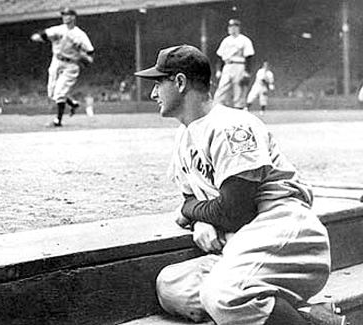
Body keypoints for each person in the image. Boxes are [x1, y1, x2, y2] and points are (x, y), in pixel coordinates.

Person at [134, 45, 346, 325]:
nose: (153, 93)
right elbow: (196, 198)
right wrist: (200, 220)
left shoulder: (232, 126)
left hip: (282, 228)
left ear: (180, 82)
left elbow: (235, 211)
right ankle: (306, 316)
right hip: (241, 240)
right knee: (172, 286)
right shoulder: (183, 138)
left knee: (222, 295)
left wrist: (189, 210)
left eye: (158, 83)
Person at [30, 7, 94, 127]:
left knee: (59, 93)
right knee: (51, 93)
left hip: (71, 65)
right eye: (64, 15)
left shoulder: (80, 35)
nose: (66, 17)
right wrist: (38, 37)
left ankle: (58, 120)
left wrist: (82, 56)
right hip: (57, 61)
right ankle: (73, 103)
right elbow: (43, 34)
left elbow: (90, 55)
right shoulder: (58, 29)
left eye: (68, 15)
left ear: (74, 17)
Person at [214, 19, 255, 109]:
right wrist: (218, 70)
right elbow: (219, 56)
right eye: (231, 27)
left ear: (239, 28)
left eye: (235, 27)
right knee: (221, 91)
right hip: (227, 66)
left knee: (239, 91)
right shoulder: (225, 41)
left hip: (239, 65)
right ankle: (218, 112)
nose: (233, 29)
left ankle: (239, 112)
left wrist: (247, 72)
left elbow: (249, 57)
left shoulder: (244, 40)